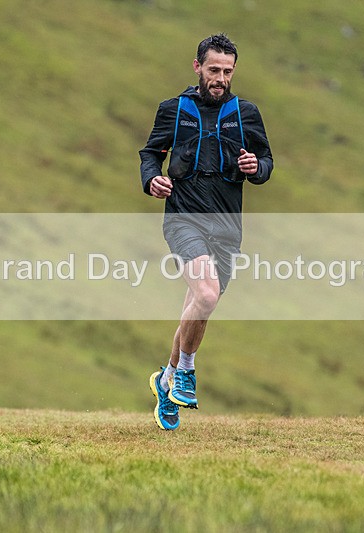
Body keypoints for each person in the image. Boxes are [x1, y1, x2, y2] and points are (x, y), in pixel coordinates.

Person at [139, 33, 274, 430]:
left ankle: (166, 380)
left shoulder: (245, 113)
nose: (220, 78)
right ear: (197, 66)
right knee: (207, 294)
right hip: (183, 218)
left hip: (228, 226)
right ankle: (187, 372)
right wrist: (152, 180)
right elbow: (151, 153)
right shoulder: (173, 109)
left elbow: (266, 160)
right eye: (213, 70)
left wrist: (256, 167)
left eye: (227, 71)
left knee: (198, 306)